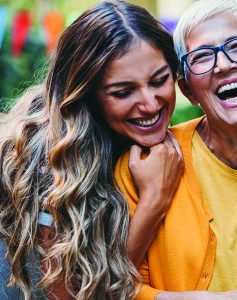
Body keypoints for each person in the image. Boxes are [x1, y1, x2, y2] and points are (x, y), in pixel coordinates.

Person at [114, 0, 237, 299]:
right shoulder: (147, 163)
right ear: (188, 90)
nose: (224, 64)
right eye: (202, 56)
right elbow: (117, 287)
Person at [0, 1, 183, 299]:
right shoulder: (49, 159)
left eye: (159, 80)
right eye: (123, 92)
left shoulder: (127, 138)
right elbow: (76, 294)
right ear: (86, 95)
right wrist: (154, 200)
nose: (150, 103)